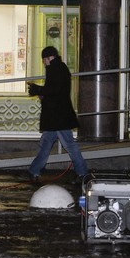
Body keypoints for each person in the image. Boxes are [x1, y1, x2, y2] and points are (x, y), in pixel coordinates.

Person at [27, 46, 88, 183]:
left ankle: (83, 173)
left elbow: (55, 90)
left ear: (49, 58)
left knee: (68, 145)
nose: (43, 62)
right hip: (58, 115)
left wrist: (39, 89)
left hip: (58, 116)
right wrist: (40, 91)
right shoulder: (59, 68)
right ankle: (34, 170)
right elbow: (55, 90)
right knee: (47, 142)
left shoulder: (56, 69)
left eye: (44, 59)